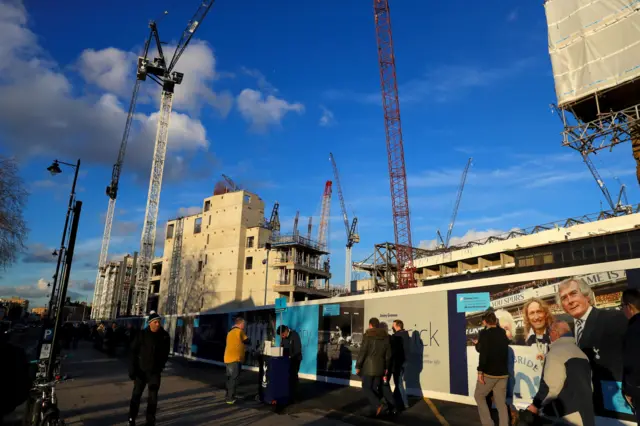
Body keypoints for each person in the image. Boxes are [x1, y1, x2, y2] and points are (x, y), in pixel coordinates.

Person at [556, 278, 627, 412]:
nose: (570, 300)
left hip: (616, 404)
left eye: (573, 293)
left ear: (587, 296)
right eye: (564, 298)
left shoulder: (613, 318)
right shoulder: (567, 332)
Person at [526, 321, 595, 426]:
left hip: (568, 415)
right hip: (587, 413)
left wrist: (535, 405)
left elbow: (551, 387)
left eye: (549, 333)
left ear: (555, 333)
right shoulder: (581, 353)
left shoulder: (555, 353)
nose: (549, 336)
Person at [128, 312, 170, 426]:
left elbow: (166, 353)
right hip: (141, 371)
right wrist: (132, 371)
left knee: (153, 398)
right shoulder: (142, 335)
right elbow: (133, 352)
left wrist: (161, 365)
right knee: (136, 395)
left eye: (159, 322)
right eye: (155, 322)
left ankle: (150, 420)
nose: (157, 324)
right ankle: (132, 418)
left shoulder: (164, 336)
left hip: (155, 372)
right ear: (150, 323)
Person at [474, 310, 510, 426]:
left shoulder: (485, 334)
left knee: (479, 396)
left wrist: (480, 372)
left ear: (485, 322)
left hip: (489, 374)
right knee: (501, 403)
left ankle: (488, 424)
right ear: (495, 321)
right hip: (503, 374)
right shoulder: (502, 332)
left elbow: (483, 353)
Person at [355, 317, 395, 417]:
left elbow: (363, 352)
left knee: (366, 387)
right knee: (374, 387)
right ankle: (377, 409)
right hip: (381, 368)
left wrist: (358, 365)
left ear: (370, 325)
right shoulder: (385, 337)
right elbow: (388, 355)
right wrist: (386, 368)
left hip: (368, 367)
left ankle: (379, 405)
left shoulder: (368, 336)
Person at [621, 288, 640, 422]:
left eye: (622, 306)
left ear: (629, 307)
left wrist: (629, 391)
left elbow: (632, 365)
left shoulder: (633, 330)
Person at [224, 317, 250, 404]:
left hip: (228, 358)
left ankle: (229, 394)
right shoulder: (239, 332)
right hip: (235, 358)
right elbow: (247, 341)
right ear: (240, 324)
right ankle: (230, 398)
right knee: (233, 378)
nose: (244, 326)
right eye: (244, 325)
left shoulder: (230, 332)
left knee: (230, 378)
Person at [277, 325, 303, 400]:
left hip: (295, 359)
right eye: (281, 336)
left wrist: (290, 356)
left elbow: (298, 349)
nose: (282, 336)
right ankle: (288, 392)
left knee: (293, 375)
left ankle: (295, 394)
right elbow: (283, 347)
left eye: (283, 335)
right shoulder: (283, 338)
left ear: (285, 331)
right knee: (287, 376)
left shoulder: (294, 335)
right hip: (286, 360)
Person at [389, 319, 410, 410]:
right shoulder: (406, 335)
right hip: (404, 362)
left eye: (393, 325)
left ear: (397, 326)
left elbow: (393, 351)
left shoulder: (396, 336)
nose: (392, 327)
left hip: (397, 363)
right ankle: (394, 399)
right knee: (398, 383)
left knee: (399, 384)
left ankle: (405, 403)